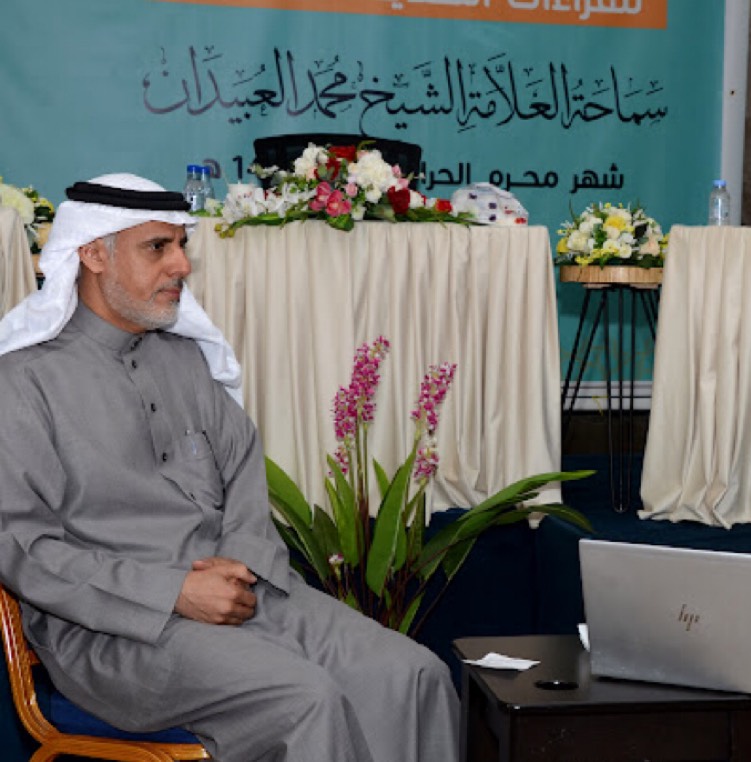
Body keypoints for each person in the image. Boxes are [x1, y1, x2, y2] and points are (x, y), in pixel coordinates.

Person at [0, 173, 461, 762]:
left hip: (245, 595)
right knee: (304, 700)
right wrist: (174, 592)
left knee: (412, 675)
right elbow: (25, 549)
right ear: (93, 255)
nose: (181, 265)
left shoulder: (185, 359)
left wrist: (239, 567)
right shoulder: (24, 382)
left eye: (180, 245)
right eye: (157, 247)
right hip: (116, 631)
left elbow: (243, 471)